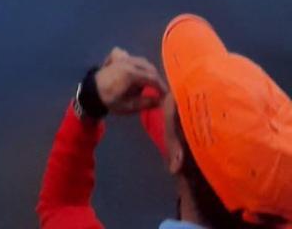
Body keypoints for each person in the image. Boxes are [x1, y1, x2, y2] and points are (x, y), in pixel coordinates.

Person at [37, 14, 292, 229]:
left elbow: (60, 207)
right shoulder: (273, 194)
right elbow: (203, 161)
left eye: (176, 96)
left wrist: (88, 101)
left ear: (178, 157)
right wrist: (146, 90)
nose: (170, 91)